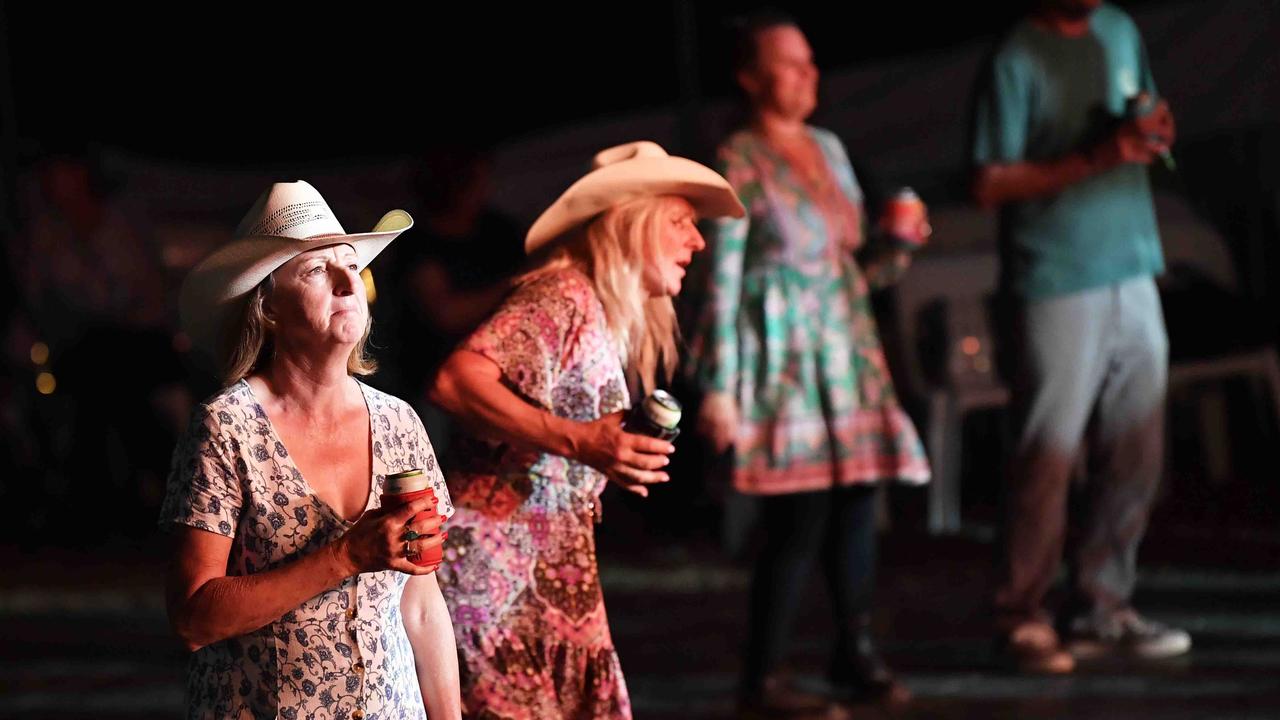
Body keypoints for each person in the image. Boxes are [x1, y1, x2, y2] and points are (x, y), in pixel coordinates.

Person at [429, 141, 744, 719]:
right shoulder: (563, 294)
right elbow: (456, 381)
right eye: (680, 223)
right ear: (632, 224)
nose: (697, 242)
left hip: (543, 572)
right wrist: (583, 442)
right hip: (496, 580)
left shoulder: (595, 308)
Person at [687, 12, 932, 715]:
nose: (808, 75)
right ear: (751, 78)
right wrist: (720, 388)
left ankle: (855, 652)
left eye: (810, 63)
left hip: (846, 352)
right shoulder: (737, 159)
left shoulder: (827, 146)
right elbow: (722, 283)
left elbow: (854, 265)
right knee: (800, 516)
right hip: (783, 363)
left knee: (859, 503)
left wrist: (898, 245)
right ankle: (761, 674)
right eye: (790, 64)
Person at [160, 180, 461, 718]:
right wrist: (346, 556)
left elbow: (420, 604)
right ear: (269, 306)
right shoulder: (224, 428)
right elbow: (193, 619)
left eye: (352, 265)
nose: (349, 282)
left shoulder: (399, 422)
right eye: (318, 269)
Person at [969, 0, 1191, 673]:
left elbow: (1145, 115)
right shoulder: (1016, 58)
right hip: (1057, 277)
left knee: (1137, 448)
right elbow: (988, 182)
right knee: (1049, 453)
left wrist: (1155, 129)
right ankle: (1021, 616)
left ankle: (1102, 606)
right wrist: (1097, 157)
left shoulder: (1120, 29)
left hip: (1134, 263)